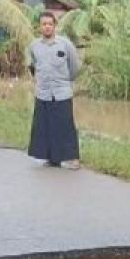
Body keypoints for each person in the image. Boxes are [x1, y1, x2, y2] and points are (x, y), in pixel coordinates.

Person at [27, 12, 80, 169]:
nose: (47, 27)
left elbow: (75, 67)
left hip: (62, 92)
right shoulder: (34, 46)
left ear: (55, 26)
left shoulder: (65, 45)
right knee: (45, 126)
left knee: (65, 125)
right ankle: (52, 158)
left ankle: (72, 158)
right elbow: (33, 65)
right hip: (43, 93)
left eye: (50, 24)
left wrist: (65, 82)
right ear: (40, 27)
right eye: (44, 24)